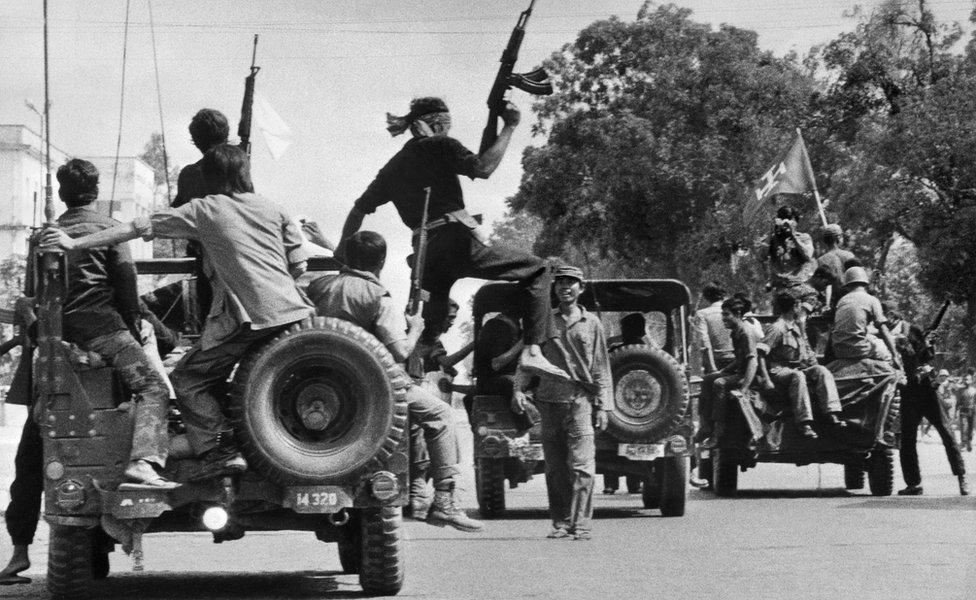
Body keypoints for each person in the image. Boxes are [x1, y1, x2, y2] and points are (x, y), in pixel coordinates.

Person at [41, 145, 314, 481]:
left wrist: (74, 243)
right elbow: (300, 265)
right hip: (296, 316)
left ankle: (220, 450)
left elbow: (137, 227)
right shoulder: (274, 208)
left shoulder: (205, 209)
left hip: (252, 318)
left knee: (187, 379)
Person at [339, 96, 561, 380]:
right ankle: (532, 350)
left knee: (427, 330)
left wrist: (342, 250)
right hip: (456, 242)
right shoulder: (441, 145)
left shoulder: (394, 166)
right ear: (438, 124)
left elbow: (358, 209)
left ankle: (409, 384)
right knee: (539, 269)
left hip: (426, 255)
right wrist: (510, 126)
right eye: (447, 125)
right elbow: (482, 168)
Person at [306, 231, 483, 532]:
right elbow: (400, 350)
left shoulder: (316, 286)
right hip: (369, 386)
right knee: (442, 415)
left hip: (314, 381)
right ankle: (444, 501)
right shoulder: (376, 296)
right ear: (382, 262)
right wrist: (415, 327)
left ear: (347, 258)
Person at [513, 265, 611, 540]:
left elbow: (601, 366)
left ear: (581, 289)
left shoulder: (592, 324)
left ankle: (581, 524)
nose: (565, 288)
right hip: (548, 401)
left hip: (580, 401)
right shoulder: (544, 320)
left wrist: (603, 405)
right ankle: (561, 522)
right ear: (554, 288)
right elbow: (529, 357)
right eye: (560, 283)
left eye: (572, 283)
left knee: (582, 466)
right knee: (556, 469)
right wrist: (518, 389)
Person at [403, 298, 474, 519]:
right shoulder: (421, 338)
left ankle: (417, 495)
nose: (451, 323)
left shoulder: (423, 338)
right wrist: (473, 344)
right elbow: (446, 362)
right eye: (449, 318)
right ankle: (425, 496)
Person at [763, 293, 846, 440]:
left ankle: (832, 413)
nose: (800, 309)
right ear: (793, 307)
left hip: (797, 367)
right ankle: (804, 422)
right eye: (798, 305)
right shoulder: (777, 328)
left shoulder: (796, 327)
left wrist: (813, 365)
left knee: (822, 370)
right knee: (798, 376)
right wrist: (766, 380)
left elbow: (806, 353)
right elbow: (760, 354)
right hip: (778, 370)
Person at [693, 295, 761, 447]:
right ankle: (705, 427)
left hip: (748, 376)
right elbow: (739, 359)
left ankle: (718, 432)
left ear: (737, 314)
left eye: (726, 314)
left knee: (719, 383)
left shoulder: (745, 332)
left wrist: (744, 388)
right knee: (707, 379)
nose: (723, 318)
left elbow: (752, 362)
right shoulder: (735, 331)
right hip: (739, 373)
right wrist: (723, 370)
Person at [830, 267, 901, 368]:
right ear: (865, 283)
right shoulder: (872, 300)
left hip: (839, 350)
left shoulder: (842, 301)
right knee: (887, 355)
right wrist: (895, 355)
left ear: (847, 285)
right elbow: (883, 330)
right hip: (859, 349)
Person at [767, 206, 818, 305]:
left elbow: (807, 255)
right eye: (782, 218)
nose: (786, 222)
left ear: (795, 221)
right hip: (781, 290)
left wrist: (793, 234)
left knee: (806, 309)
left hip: (800, 287)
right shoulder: (772, 239)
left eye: (789, 219)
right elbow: (761, 256)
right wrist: (772, 232)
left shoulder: (804, 237)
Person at [696, 282, 734, 373]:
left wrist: (712, 367)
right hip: (736, 358)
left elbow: (704, 341)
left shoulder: (702, 314)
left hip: (716, 360)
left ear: (706, 297)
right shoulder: (733, 311)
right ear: (723, 294)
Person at [815, 223, 855, 309]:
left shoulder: (820, 260)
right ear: (838, 238)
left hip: (832, 303)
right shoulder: (849, 255)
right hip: (850, 299)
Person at [956, 372, 976, 452]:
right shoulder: (960, 390)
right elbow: (958, 401)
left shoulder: (974, 390)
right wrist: (956, 410)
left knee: (970, 428)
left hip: (972, 411)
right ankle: (963, 443)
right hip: (963, 411)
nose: (965, 381)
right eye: (964, 379)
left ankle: (969, 441)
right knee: (964, 427)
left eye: (967, 379)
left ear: (971, 381)